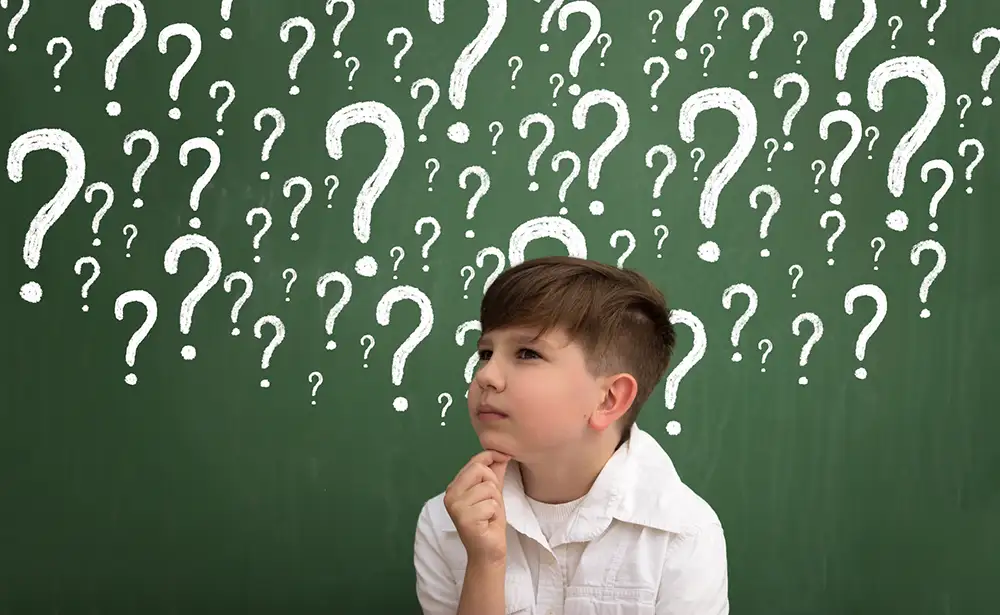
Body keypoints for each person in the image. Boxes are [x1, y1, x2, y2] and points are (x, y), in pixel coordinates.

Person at [413, 256, 729, 615]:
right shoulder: (446, 522)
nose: (486, 375)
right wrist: (485, 564)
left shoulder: (682, 532)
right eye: (485, 353)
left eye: (527, 353)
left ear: (608, 399)